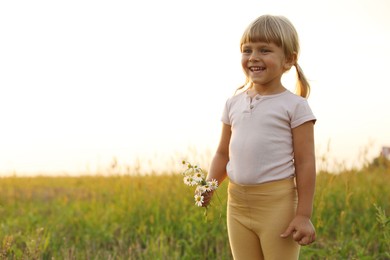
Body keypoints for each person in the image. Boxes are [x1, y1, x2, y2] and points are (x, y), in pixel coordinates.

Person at [202, 14, 316, 259]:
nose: (253, 57)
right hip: (237, 206)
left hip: (278, 206)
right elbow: (223, 153)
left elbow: (306, 162)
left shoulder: (294, 106)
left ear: (288, 60)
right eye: (247, 50)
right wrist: (210, 185)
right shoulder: (233, 103)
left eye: (265, 50)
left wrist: (303, 215)